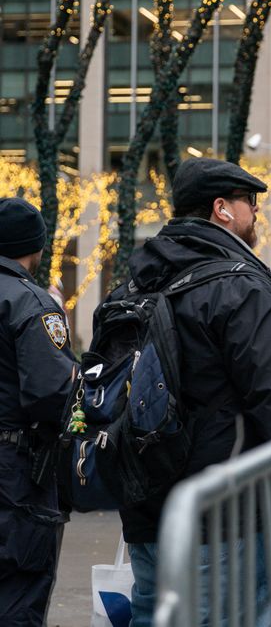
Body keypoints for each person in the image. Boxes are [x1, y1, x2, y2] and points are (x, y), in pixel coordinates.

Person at [104, 158, 271, 626]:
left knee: (154, 614)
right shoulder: (242, 286)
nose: (256, 215)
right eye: (249, 204)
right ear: (222, 209)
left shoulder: (131, 284)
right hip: (224, 509)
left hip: (144, 503)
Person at [0, 198, 77, 626]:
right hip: (14, 473)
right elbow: (52, 392)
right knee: (18, 589)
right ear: (37, 248)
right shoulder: (31, 303)